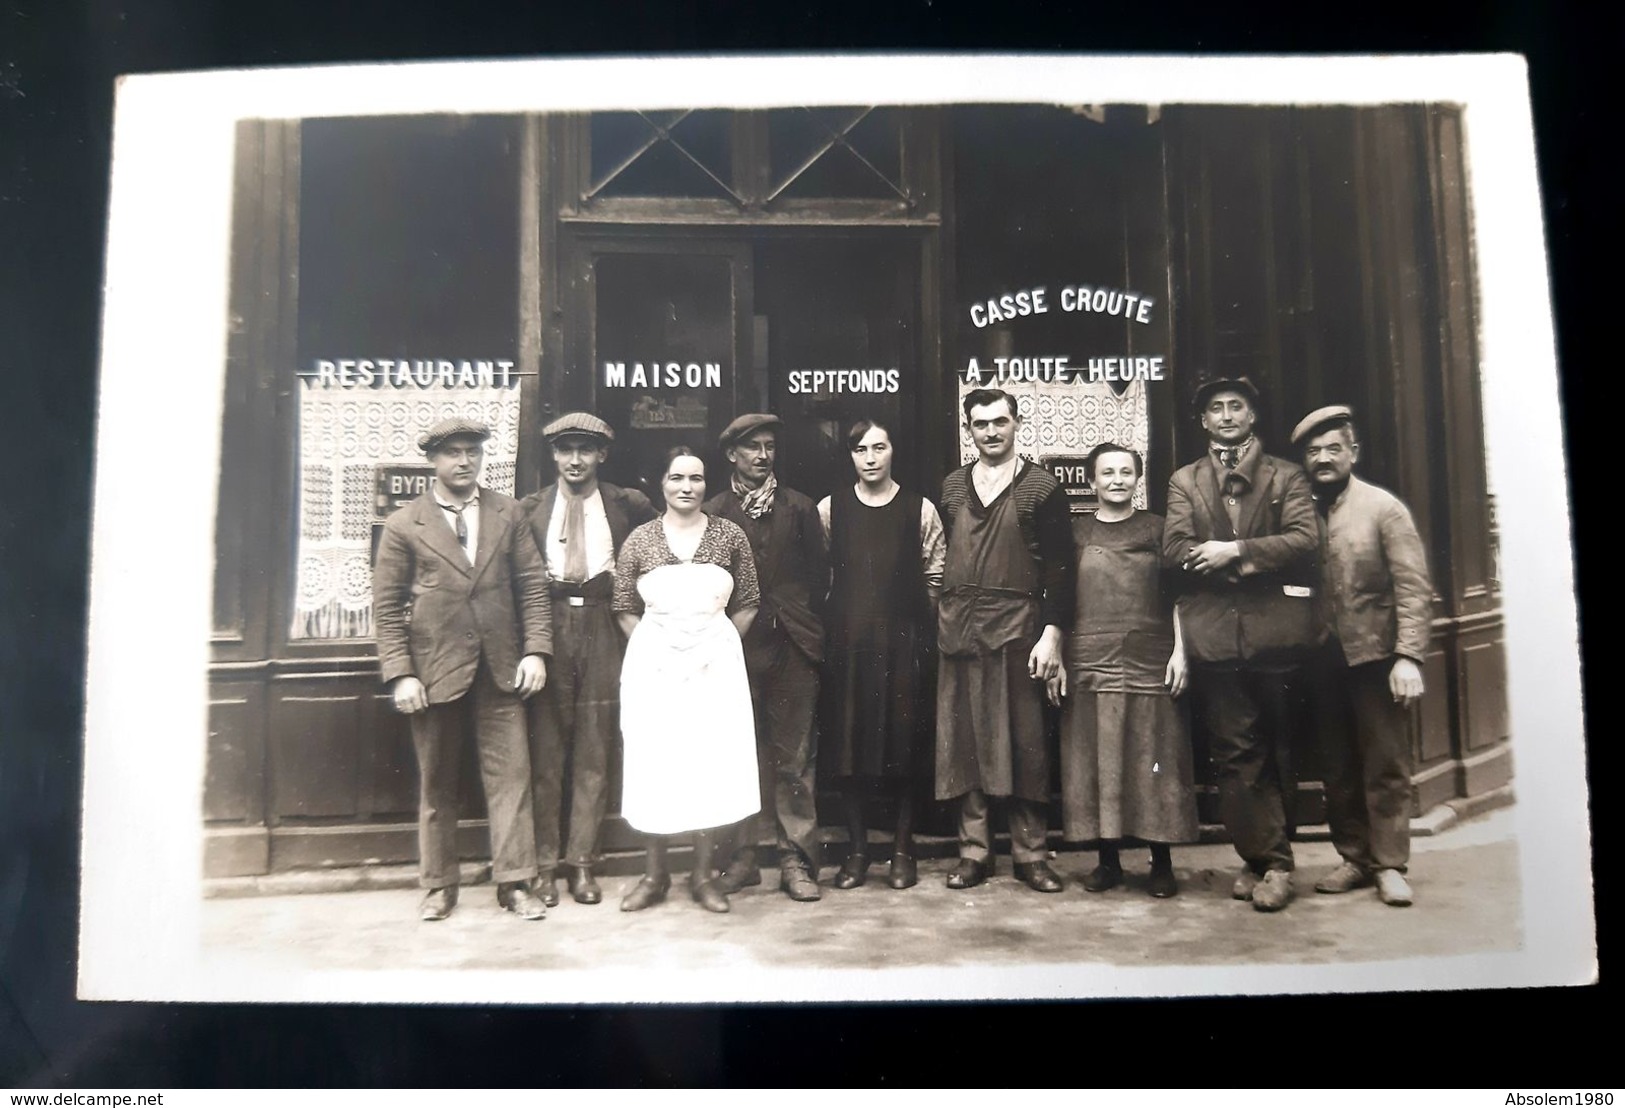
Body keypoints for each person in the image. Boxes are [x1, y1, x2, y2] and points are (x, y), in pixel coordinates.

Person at [372, 418, 551, 922]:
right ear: (433, 460)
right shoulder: (406, 523)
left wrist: (536, 651)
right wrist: (401, 673)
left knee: (512, 779)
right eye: (452, 452)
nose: (464, 461)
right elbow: (386, 608)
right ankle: (438, 886)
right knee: (437, 783)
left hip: (502, 670)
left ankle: (516, 883)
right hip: (434, 672)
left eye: (472, 451)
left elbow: (532, 588)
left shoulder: (508, 513)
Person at [1163, 377, 1319, 912]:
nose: (1226, 415)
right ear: (1203, 421)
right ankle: (1267, 861)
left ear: (1252, 415)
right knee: (1235, 753)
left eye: (1236, 406)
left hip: (1278, 633)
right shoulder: (1186, 480)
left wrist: (1234, 552)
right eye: (1216, 408)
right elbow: (1175, 548)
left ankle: (1271, 858)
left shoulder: (1287, 475)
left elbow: (1304, 540)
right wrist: (1201, 556)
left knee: (1279, 749)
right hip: (1215, 638)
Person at [1292, 406, 1434, 908]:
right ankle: (1354, 856)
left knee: (1385, 764)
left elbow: (1413, 589)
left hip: (1377, 658)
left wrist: (1408, 656)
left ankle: (1391, 865)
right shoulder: (1300, 513)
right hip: (1321, 661)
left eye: (1334, 448)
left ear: (1354, 452)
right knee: (1337, 765)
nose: (1323, 458)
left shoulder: (1383, 508)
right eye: (1313, 452)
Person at [936, 388, 1075, 893]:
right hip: (962, 632)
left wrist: (1053, 635)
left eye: (999, 422)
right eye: (980, 424)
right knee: (966, 743)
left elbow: (1062, 569)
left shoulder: (1041, 487)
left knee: (1026, 743)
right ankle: (974, 853)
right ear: (968, 429)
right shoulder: (952, 487)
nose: (990, 432)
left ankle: (1031, 854)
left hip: (1019, 630)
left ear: (1017, 424)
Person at [613, 447, 762, 914]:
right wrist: (659, 651)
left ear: (705, 484)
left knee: (708, 762)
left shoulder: (729, 535)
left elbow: (750, 599)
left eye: (696, 479)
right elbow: (622, 606)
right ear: (661, 483)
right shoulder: (640, 540)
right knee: (656, 761)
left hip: (714, 666)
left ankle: (703, 876)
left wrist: (714, 647)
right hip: (655, 668)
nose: (687, 487)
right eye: (677, 477)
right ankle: (654, 874)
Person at [1047, 443, 1198, 898]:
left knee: (1155, 762)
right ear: (1091, 482)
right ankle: (1107, 862)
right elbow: (1061, 601)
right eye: (1107, 472)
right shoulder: (1075, 533)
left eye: (1126, 472)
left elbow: (1180, 597)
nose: (1116, 480)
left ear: (1138, 479)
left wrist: (1181, 651)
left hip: (1151, 657)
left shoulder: (1159, 529)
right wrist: (1058, 659)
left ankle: (1162, 863)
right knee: (1097, 762)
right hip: (1090, 659)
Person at [521, 412, 657, 908]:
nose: (575, 460)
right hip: (549, 623)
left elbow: (655, 560)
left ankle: (581, 864)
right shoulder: (530, 509)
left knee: (595, 749)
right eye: (565, 450)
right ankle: (543, 867)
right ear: (554, 456)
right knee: (547, 752)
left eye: (585, 450)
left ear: (602, 454)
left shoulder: (630, 505)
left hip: (604, 622)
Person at [705, 414, 830, 903]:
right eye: (752, 447)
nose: (762, 455)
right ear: (732, 454)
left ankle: (797, 860)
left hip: (793, 646)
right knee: (737, 755)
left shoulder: (799, 508)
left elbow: (820, 579)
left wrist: (799, 624)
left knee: (795, 758)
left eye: (770, 446)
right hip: (734, 648)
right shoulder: (714, 512)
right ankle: (742, 857)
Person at [817, 419, 945, 891]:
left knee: (903, 747)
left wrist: (912, 628)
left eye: (879, 447)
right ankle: (856, 851)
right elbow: (823, 576)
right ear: (849, 456)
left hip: (903, 645)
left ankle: (902, 849)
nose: (870, 458)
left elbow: (936, 575)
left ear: (893, 451)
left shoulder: (920, 509)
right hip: (849, 645)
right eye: (859, 449)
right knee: (849, 749)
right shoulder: (831, 509)